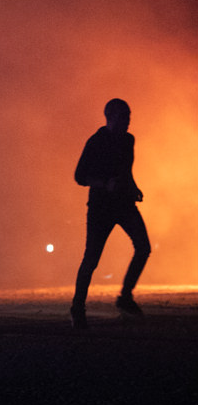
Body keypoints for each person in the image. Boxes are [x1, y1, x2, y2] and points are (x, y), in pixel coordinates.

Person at [70, 98, 151, 329]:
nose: (128, 122)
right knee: (91, 259)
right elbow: (79, 176)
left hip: (124, 204)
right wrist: (105, 184)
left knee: (143, 247)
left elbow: (126, 169)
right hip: (101, 208)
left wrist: (133, 187)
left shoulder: (128, 141)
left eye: (129, 117)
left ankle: (125, 298)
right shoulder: (95, 142)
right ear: (112, 117)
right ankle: (77, 308)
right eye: (125, 117)